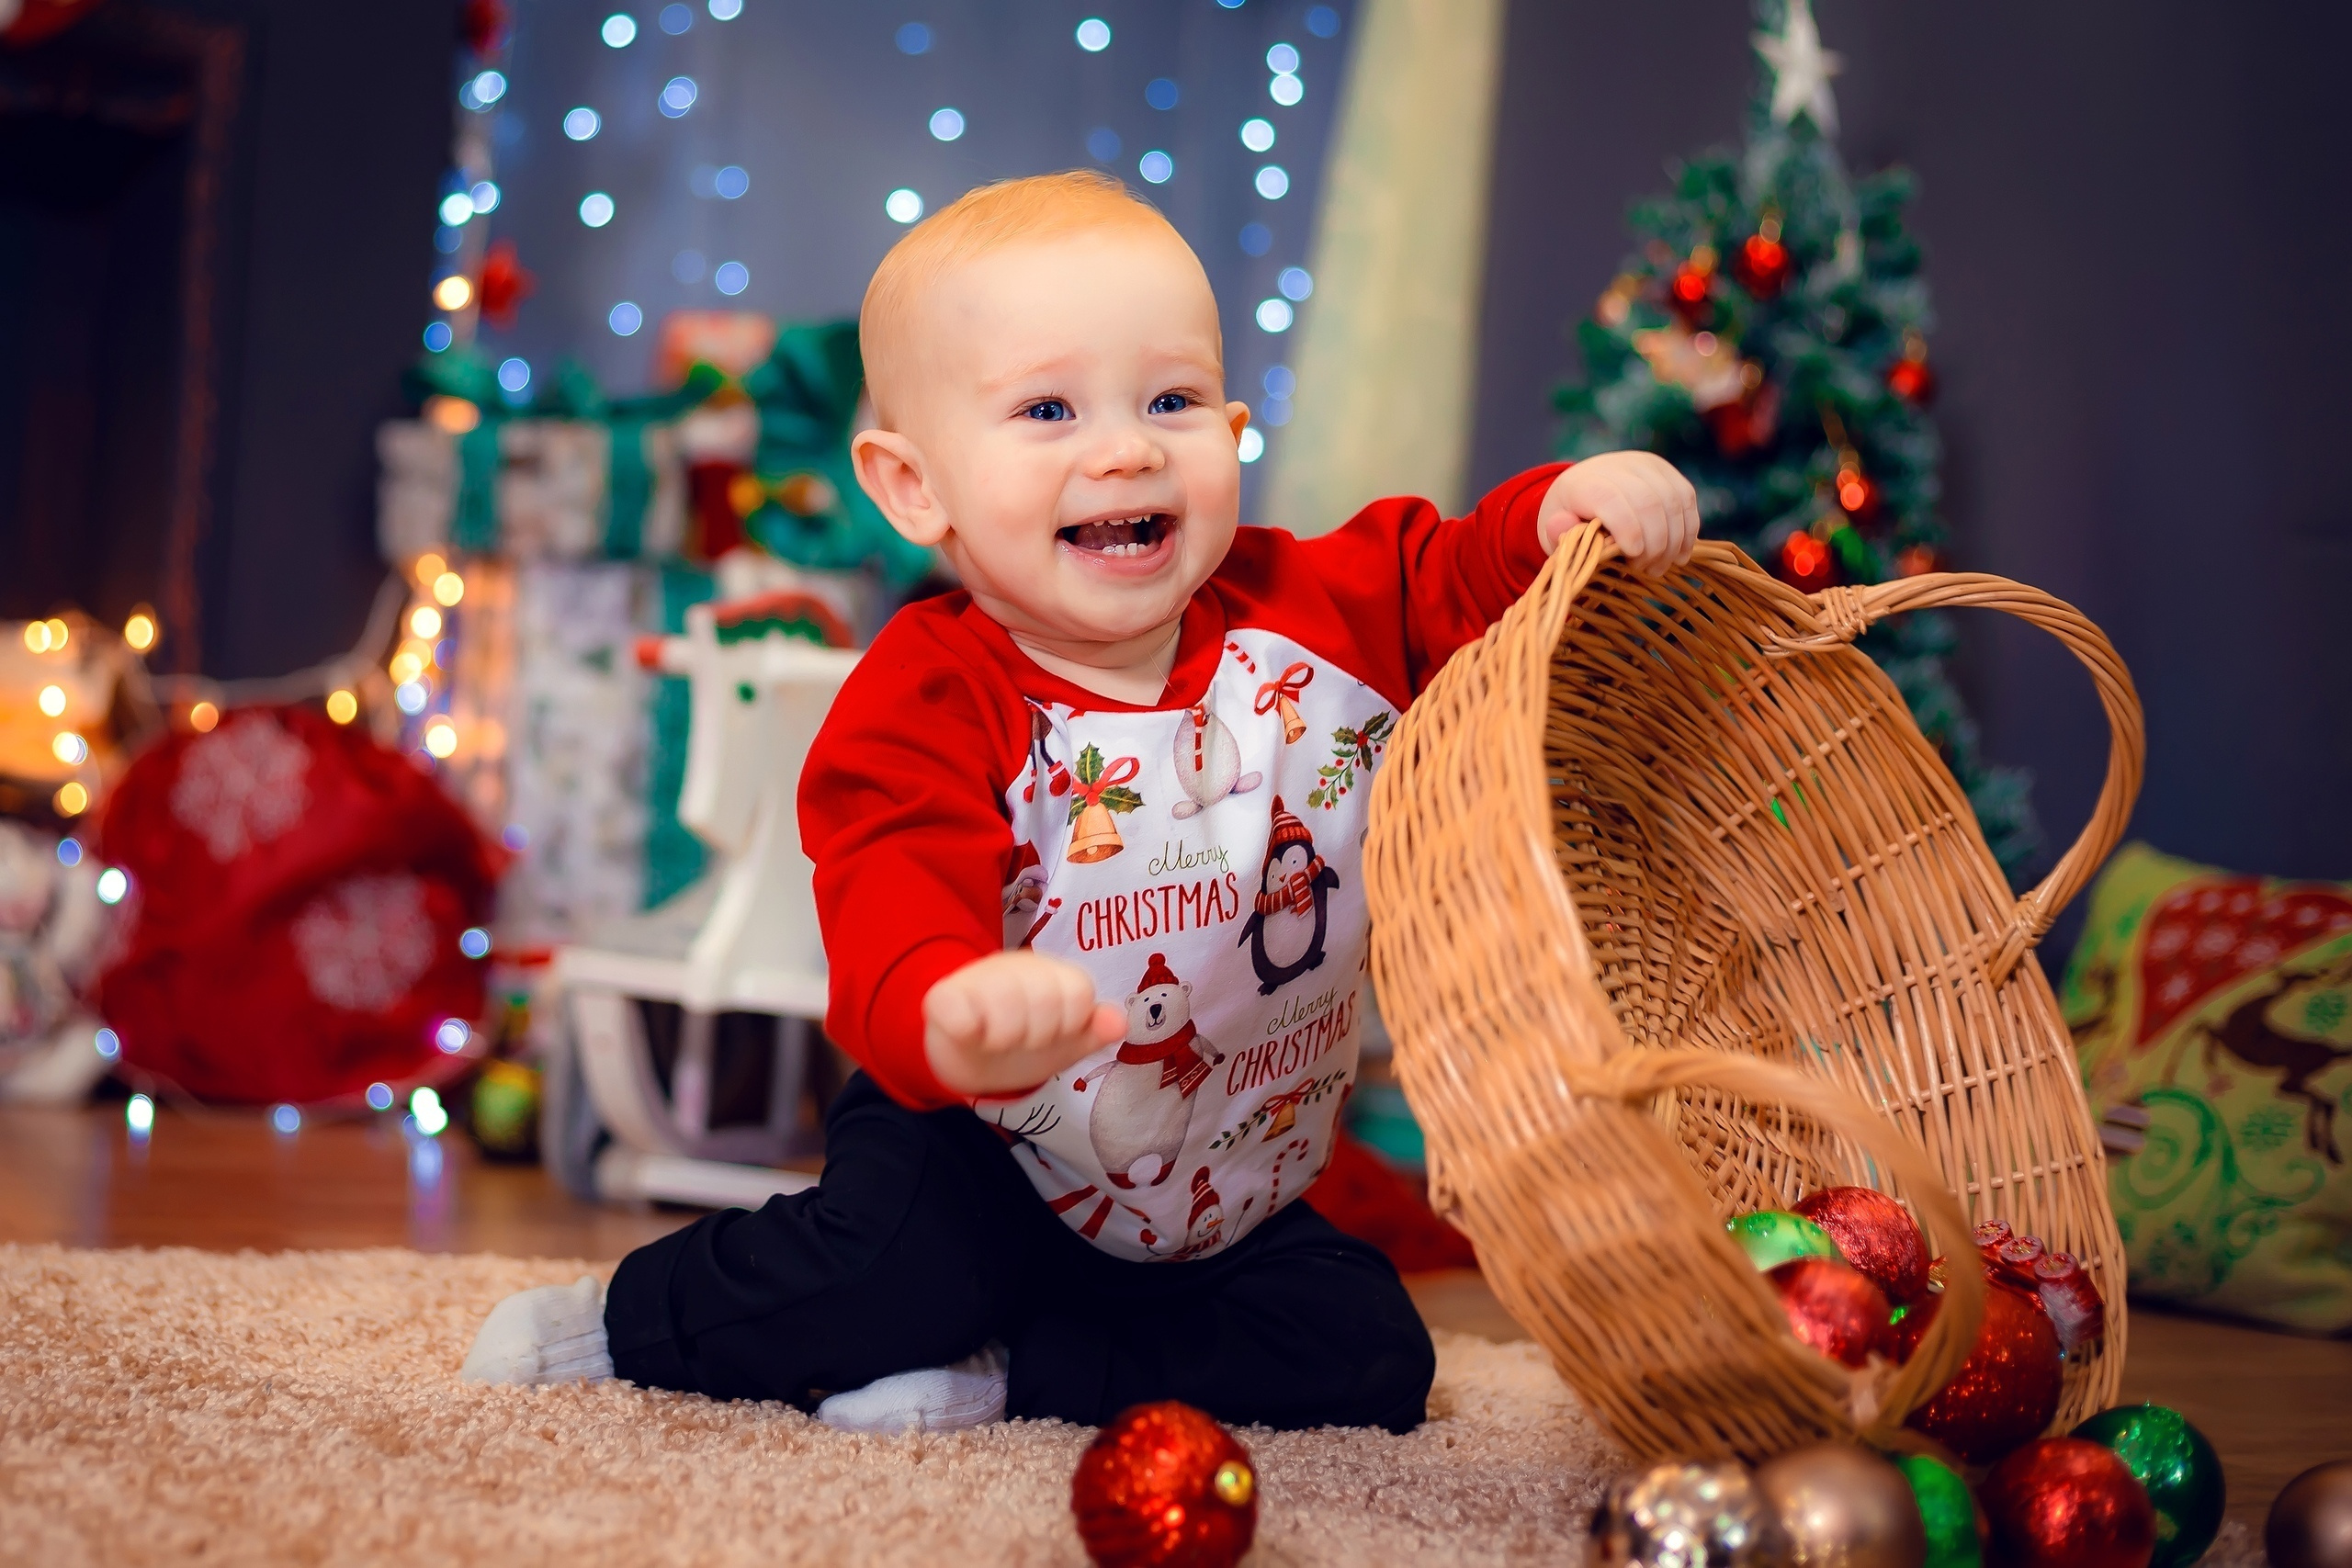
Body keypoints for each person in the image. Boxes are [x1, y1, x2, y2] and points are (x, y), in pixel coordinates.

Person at [463, 170, 1698, 1433]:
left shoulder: (1311, 616)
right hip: (983, 1144)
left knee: (1373, 1350)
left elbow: (1450, 572)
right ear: (914, 488)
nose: (1125, 446)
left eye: (1172, 400)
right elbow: (888, 888)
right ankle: (620, 1322)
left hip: (1225, 1188)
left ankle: (1021, 1379)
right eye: (1047, 409)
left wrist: (1557, 512)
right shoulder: (932, 693)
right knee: (881, 1269)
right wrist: (949, 999)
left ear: (1227, 424)